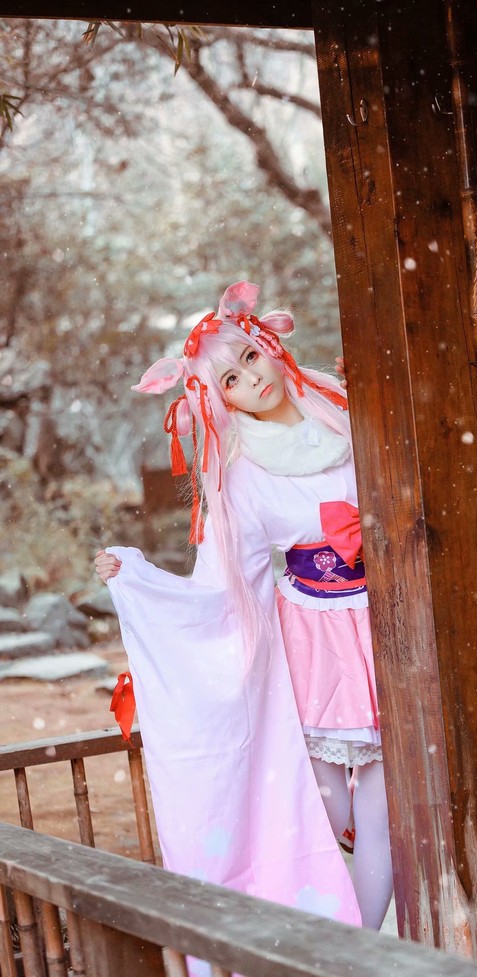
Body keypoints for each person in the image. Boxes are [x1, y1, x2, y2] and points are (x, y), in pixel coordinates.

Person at [94, 280, 393, 945]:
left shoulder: (349, 413)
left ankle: (362, 950)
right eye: (230, 378)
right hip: (313, 641)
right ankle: (320, 943)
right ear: (218, 398)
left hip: (385, 626)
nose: (252, 379)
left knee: (383, 813)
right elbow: (219, 587)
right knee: (320, 805)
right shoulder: (241, 475)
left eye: (251, 358)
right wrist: (139, 581)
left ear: (270, 346)